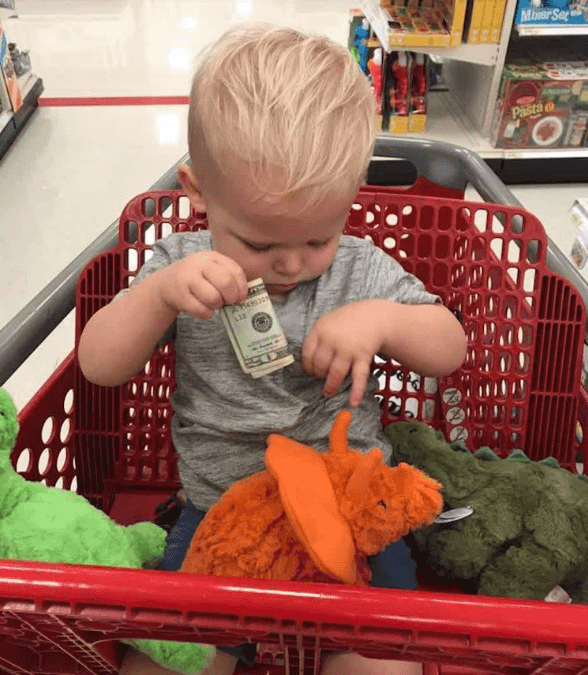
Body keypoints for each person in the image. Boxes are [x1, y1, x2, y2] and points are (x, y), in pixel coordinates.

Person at [77, 24, 467, 675]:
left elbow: (449, 346)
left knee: (382, 665)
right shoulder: (180, 264)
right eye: (258, 244)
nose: (290, 262)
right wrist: (161, 295)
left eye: (317, 239)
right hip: (221, 512)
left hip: (353, 509)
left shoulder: (360, 269)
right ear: (198, 194)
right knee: (166, 663)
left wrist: (380, 321)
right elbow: (100, 363)